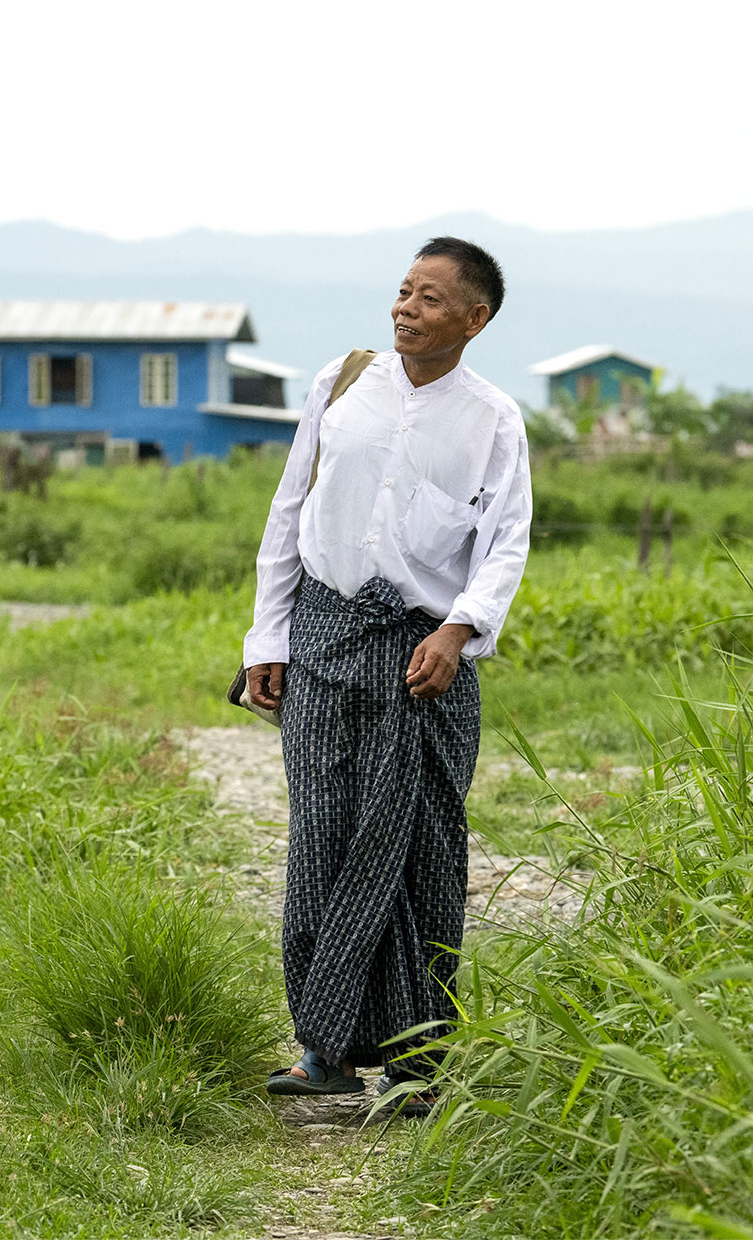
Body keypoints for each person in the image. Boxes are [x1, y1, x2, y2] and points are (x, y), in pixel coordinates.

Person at [243, 236, 532, 1112]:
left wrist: (459, 629)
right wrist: (268, 635)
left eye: (432, 298)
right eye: (404, 291)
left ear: (474, 320)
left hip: (423, 660)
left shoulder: (493, 419)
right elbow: (289, 508)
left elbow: (503, 544)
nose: (407, 308)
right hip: (324, 638)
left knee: (420, 851)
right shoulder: (342, 382)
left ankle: (418, 1067)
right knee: (322, 842)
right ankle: (324, 1049)